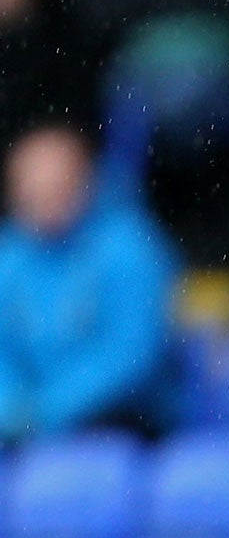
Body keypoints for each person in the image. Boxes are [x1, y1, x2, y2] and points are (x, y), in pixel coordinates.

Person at [0, 123, 176, 440]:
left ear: (85, 183)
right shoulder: (10, 255)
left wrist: (45, 411)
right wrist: (11, 407)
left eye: (56, 188)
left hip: (128, 427)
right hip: (26, 433)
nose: (45, 202)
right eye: (33, 191)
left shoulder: (129, 247)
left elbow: (134, 353)